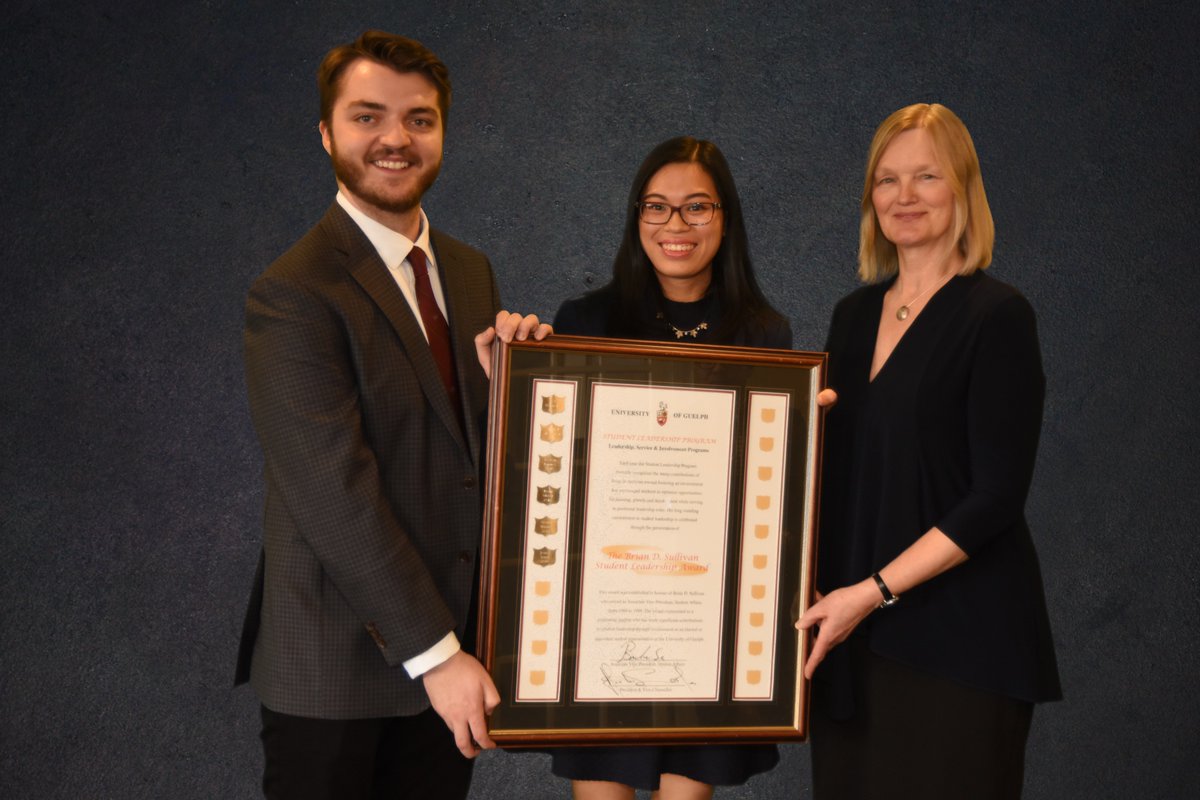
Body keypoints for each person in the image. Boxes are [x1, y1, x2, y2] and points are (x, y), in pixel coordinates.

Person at [234, 31, 548, 799]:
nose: (395, 140)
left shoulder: (469, 271)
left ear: (442, 131)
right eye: (368, 117)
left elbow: (461, 460)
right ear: (325, 132)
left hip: (451, 660)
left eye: (419, 119)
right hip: (339, 671)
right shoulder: (294, 293)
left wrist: (521, 388)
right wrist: (439, 657)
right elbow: (334, 495)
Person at [797, 103, 1062, 799]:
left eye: (925, 177)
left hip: (961, 647)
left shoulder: (997, 315)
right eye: (887, 180)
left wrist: (873, 592)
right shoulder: (851, 318)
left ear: (963, 190)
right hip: (851, 641)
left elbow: (996, 496)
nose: (904, 197)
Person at [550, 136, 789, 800]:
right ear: (635, 219)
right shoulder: (586, 321)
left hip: (704, 616)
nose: (674, 226)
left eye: (696, 208)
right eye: (655, 208)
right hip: (607, 612)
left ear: (727, 218)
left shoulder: (764, 335)